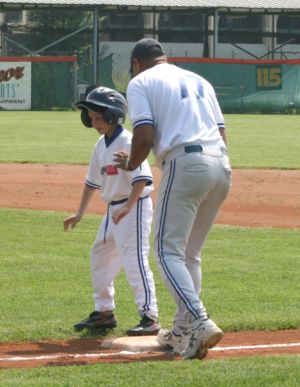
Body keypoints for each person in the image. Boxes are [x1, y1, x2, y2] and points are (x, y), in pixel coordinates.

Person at [114, 39, 232, 358]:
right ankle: (182, 330)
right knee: (189, 254)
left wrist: (131, 162)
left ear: (137, 63)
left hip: (185, 162)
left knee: (166, 251)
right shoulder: (200, 80)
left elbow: (144, 133)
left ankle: (198, 320)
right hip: (221, 165)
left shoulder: (141, 82)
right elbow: (222, 134)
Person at [63, 86, 160, 336]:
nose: (94, 122)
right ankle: (104, 312)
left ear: (113, 115)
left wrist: (128, 206)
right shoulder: (100, 144)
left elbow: (143, 178)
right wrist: (80, 213)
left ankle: (149, 316)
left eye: (98, 117)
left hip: (134, 206)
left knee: (134, 259)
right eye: (91, 118)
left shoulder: (128, 140)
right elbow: (91, 181)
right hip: (113, 210)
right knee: (100, 256)